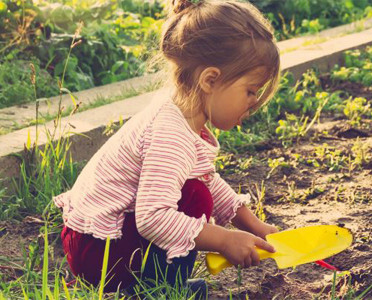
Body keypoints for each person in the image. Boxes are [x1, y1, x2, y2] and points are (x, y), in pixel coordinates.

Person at [54, 0, 281, 297]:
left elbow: (209, 180)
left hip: (101, 242)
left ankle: (157, 284)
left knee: (197, 189)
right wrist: (224, 240)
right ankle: (158, 290)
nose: (254, 102)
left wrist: (255, 226)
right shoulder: (169, 134)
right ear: (210, 79)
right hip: (99, 251)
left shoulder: (182, 117)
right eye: (250, 90)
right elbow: (153, 217)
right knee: (194, 198)